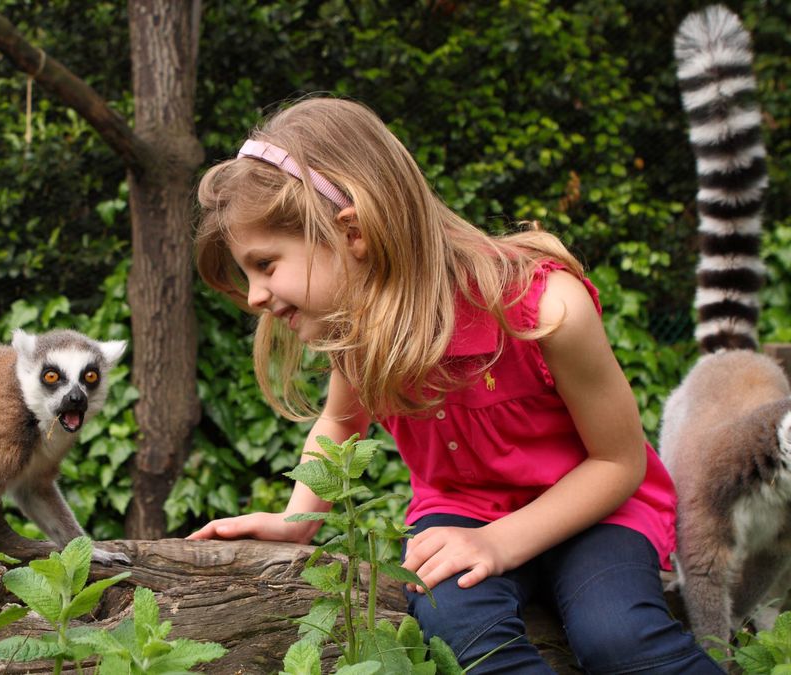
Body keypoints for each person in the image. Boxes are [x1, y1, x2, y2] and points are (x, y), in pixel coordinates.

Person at [186, 97, 720, 674]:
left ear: (355, 234)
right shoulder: (363, 330)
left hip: (593, 511)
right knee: (466, 636)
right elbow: (341, 422)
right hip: (460, 514)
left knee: (620, 638)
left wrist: (500, 544)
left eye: (265, 264)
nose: (256, 295)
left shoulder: (544, 309)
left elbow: (618, 463)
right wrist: (298, 522)